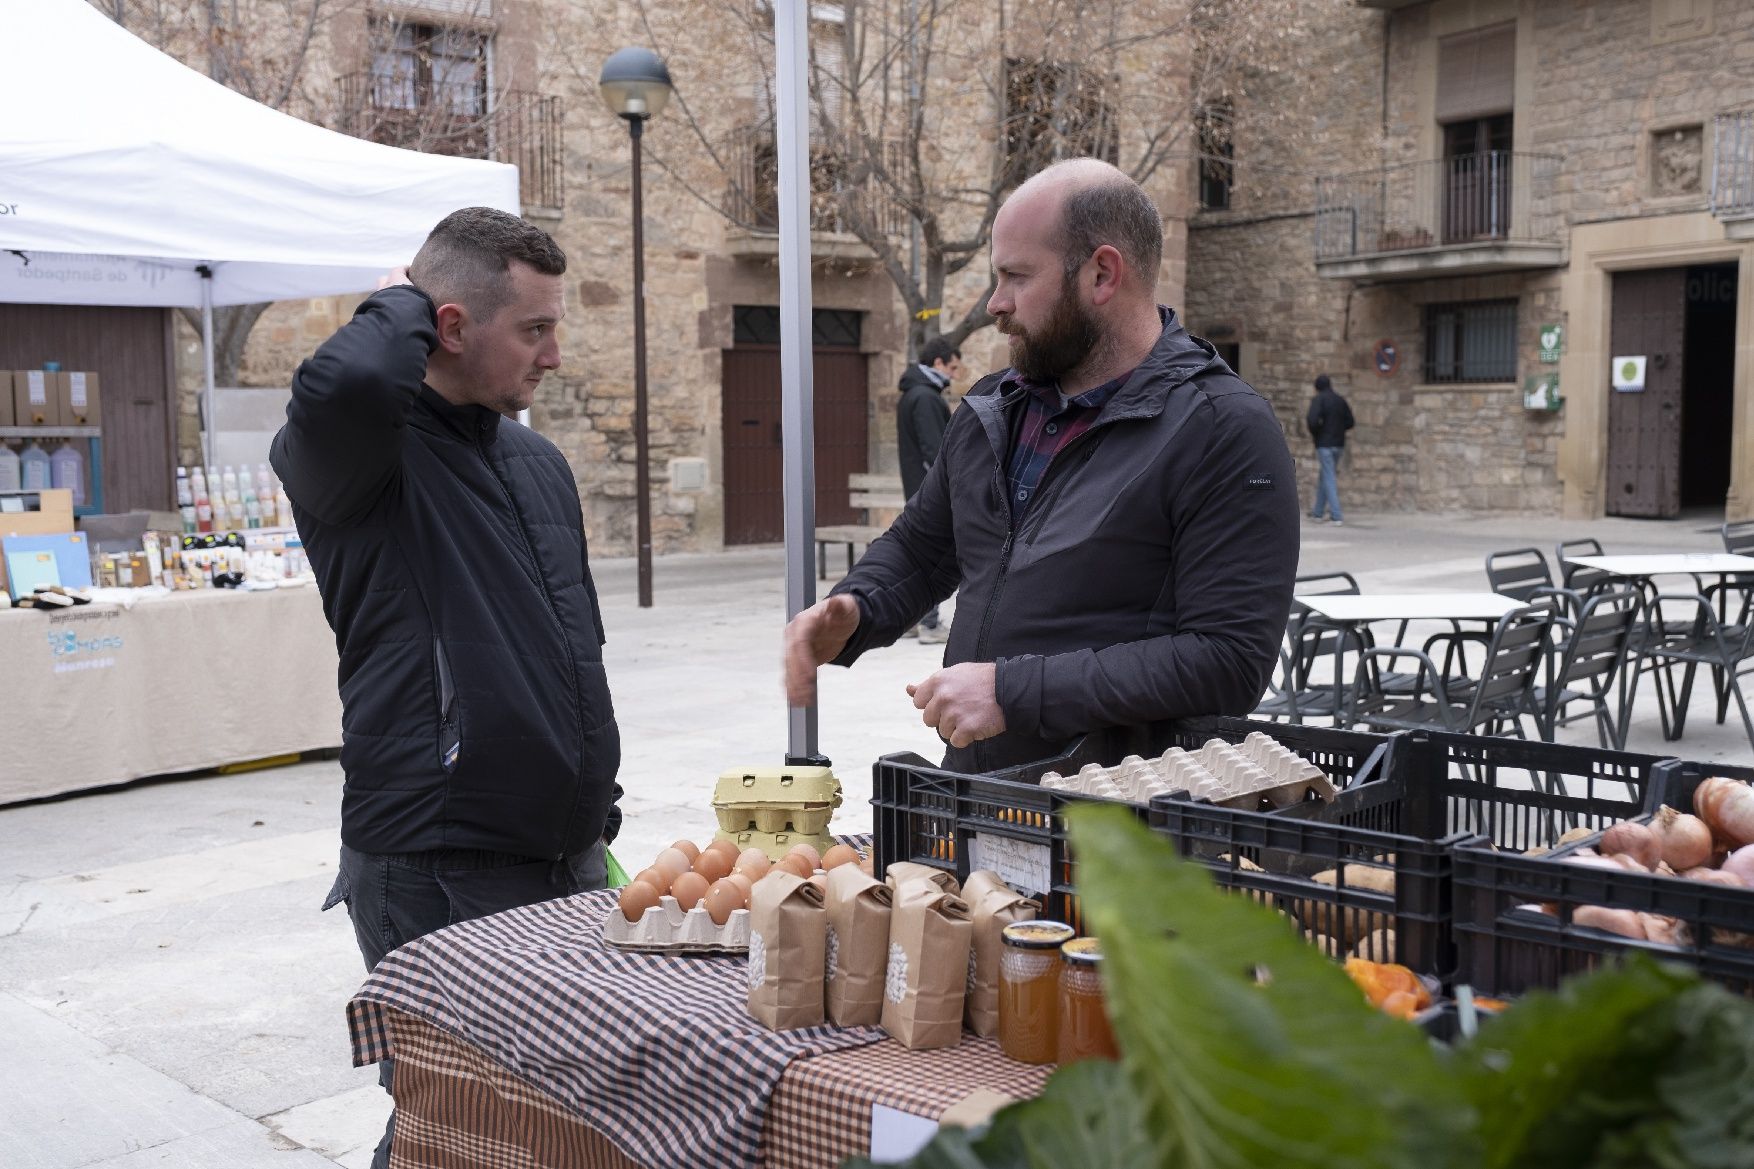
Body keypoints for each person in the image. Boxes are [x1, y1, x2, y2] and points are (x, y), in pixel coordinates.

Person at [271, 207, 621, 1169]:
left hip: (561, 850)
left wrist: (596, 788)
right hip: (436, 854)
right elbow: (344, 376)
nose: (554, 355)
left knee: (553, 1114)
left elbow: (570, 643)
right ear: (451, 326)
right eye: (534, 329)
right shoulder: (360, 461)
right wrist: (403, 299)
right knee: (457, 1118)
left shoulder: (538, 463)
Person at [782, 159, 1298, 773]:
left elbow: (1228, 662)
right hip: (985, 801)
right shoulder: (992, 409)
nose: (996, 304)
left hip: (1124, 828)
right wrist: (858, 608)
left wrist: (1011, 692)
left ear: (1102, 273)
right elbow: (923, 549)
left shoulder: (1222, 427)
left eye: (1016, 277)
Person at [896, 336, 963, 643]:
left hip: (918, 485)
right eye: (952, 366)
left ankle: (911, 619)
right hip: (929, 489)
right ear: (938, 363)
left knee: (920, 554)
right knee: (933, 557)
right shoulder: (924, 396)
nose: (955, 374)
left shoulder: (916, 392)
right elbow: (935, 450)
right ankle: (930, 623)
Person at [1305, 373, 1354, 525]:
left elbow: (1312, 421)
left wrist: (1318, 433)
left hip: (1324, 444)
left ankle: (1336, 515)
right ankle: (1318, 513)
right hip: (1338, 444)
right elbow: (1350, 422)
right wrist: (1339, 429)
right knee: (1325, 476)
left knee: (1329, 477)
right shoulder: (1340, 400)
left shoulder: (1319, 400)